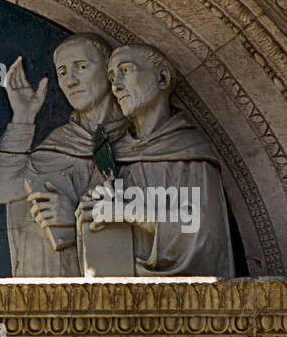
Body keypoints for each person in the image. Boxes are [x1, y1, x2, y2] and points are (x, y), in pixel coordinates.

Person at [77, 44, 234, 277]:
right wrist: (85, 218)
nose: (116, 87)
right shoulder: (111, 156)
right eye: (111, 78)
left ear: (161, 78)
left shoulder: (189, 151)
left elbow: (206, 236)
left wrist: (130, 212)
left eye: (126, 71)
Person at [0, 33, 129, 275]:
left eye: (81, 67)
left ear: (109, 72)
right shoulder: (60, 142)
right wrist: (23, 117)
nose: (70, 81)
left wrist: (78, 222)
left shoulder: (138, 139)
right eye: (62, 73)